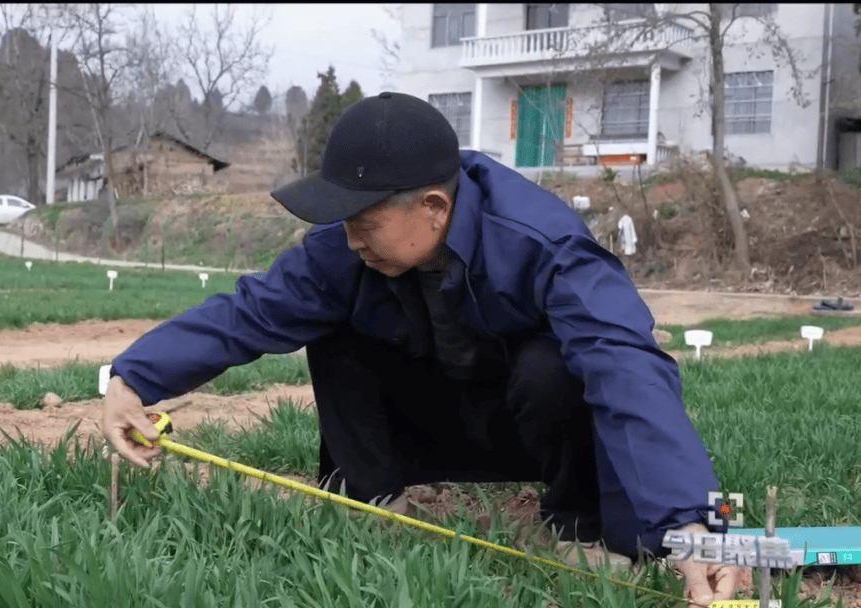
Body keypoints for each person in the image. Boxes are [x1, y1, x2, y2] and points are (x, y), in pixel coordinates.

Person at [103, 92, 739, 607]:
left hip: (527, 427)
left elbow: (626, 364)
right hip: (427, 426)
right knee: (332, 330)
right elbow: (252, 310)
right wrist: (134, 379)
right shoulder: (345, 252)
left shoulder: (542, 241)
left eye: (363, 223)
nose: (350, 240)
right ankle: (374, 502)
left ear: (434, 207)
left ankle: (578, 524)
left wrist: (693, 522)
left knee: (555, 367)